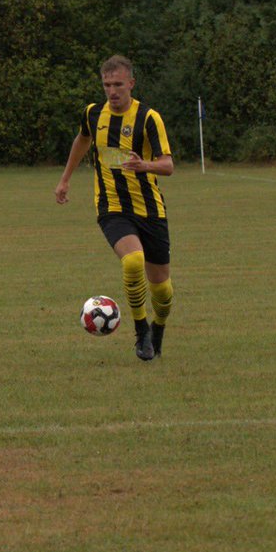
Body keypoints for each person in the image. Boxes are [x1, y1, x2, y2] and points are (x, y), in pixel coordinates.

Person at [54, 55, 175, 361]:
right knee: (133, 261)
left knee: (162, 290)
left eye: (118, 84)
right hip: (112, 208)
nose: (112, 91)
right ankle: (141, 330)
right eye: (107, 85)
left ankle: (158, 326)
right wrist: (65, 179)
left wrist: (143, 165)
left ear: (131, 84)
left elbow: (168, 165)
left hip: (150, 210)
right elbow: (82, 140)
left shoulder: (149, 118)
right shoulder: (93, 114)